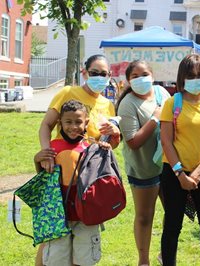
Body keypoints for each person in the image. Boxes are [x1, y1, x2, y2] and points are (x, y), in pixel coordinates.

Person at [35, 54, 121, 266]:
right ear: (85, 72)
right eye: (94, 73)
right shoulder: (68, 92)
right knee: (53, 240)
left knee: (82, 243)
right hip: (61, 172)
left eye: (103, 74)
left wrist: (115, 134)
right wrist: (47, 153)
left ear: (109, 76)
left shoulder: (107, 105)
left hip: (87, 181)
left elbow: (106, 146)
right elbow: (46, 125)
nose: (99, 77)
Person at [160, 54, 200, 266]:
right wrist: (180, 174)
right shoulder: (172, 103)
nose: (196, 79)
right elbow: (166, 142)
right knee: (172, 227)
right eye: (190, 75)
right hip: (174, 173)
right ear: (181, 78)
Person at [34, 100, 111, 266]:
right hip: (58, 216)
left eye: (78, 122)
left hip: (85, 216)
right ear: (59, 122)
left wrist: (103, 152)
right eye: (68, 122)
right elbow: (43, 179)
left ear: (86, 123)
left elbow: (101, 179)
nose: (73, 127)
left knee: (84, 259)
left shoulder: (92, 148)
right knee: (57, 259)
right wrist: (37, 160)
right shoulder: (52, 148)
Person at [116, 60, 170, 265]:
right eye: (135, 76)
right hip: (143, 170)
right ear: (128, 81)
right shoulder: (127, 103)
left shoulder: (161, 93)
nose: (141, 79)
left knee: (173, 213)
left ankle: (166, 254)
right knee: (145, 217)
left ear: (153, 75)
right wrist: (155, 118)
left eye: (144, 74)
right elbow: (133, 142)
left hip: (167, 165)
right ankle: (143, 260)